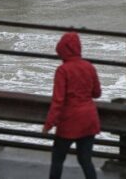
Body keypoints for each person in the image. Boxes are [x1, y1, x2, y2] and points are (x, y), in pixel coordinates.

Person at [42, 32, 102, 179]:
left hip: (69, 121)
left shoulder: (63, 70)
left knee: (58, 159)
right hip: (89, 119)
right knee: (85, 160)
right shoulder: (89, 67)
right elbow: (97, 93)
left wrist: (48, 124)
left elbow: (58, 101)